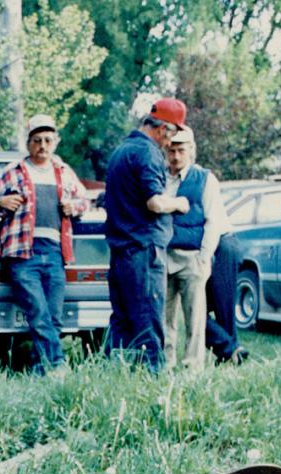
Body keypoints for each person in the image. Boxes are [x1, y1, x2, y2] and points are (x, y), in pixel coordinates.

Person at [0, 114, 93, 375]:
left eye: (47, 140)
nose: (42, 145)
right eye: (36, 140)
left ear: (55, 142)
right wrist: (0, 203)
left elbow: (84, 201)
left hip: (55, 252)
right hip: (22, 253)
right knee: (38, 311)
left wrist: (73, 206)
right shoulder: (13, 171)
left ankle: (38, 372)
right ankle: (57, 364)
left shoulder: (64, 172)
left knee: (53, 316)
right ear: (28, 142)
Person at [101, 97, 191, 371]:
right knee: (149, 318)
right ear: (164, 128)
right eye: (173, 133)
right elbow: (154, 202)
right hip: (143, 251)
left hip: (120, 252)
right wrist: (179, 203)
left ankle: (106, 375)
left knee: (121, 320)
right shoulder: (148, 154)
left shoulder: (121, 151)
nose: (170, 142)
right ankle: (154, 381)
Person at [162, 127, 230, 371]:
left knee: (195, 318)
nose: (176, 156)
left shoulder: (204, 179)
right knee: (164, 318)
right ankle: (166, 366)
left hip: (192, 257)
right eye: (171, 150)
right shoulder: (160, 177)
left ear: (191, 150)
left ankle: (193, 367)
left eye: (181, 150)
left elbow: (214, 220)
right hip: (164, 257)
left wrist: (204, 257)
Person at [206, 232, 248, 364]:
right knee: (223, 311)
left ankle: (229, 350)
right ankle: (230, 353)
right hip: (223, 245)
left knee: (199, 311)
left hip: (220, 246)